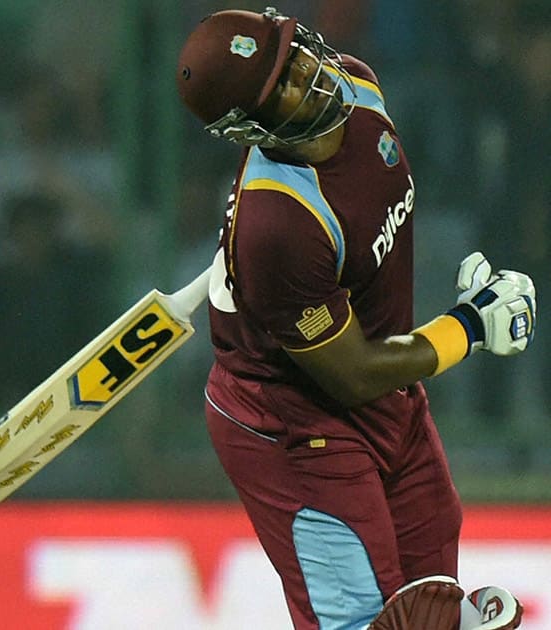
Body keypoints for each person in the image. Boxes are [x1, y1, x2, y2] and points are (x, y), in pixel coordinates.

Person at [175, 8, 535, 630]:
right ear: (248, 126)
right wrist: (470, 328)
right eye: (279, 84)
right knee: (363, 623)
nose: (308, 75)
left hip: (390, 399)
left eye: (294, 54)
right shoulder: (280, 222)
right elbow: (351, 375)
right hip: (293, 426)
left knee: (430, 607)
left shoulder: (358, 83)